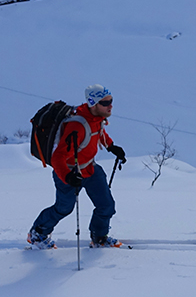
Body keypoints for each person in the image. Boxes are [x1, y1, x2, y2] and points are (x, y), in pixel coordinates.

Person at [27, 85, 127, 249]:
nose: (110, 105)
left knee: (106, 205)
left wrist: (111, 146)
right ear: (93, 104)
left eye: (111, 101)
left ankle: (99, 237)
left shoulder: (96, 118)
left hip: (90, 169)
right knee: (63, 208)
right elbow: (57, 157)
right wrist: (67, 176)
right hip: (69, 172)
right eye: (105, 102)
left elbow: (99, 132)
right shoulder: (78, 126)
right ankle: (38, 233)